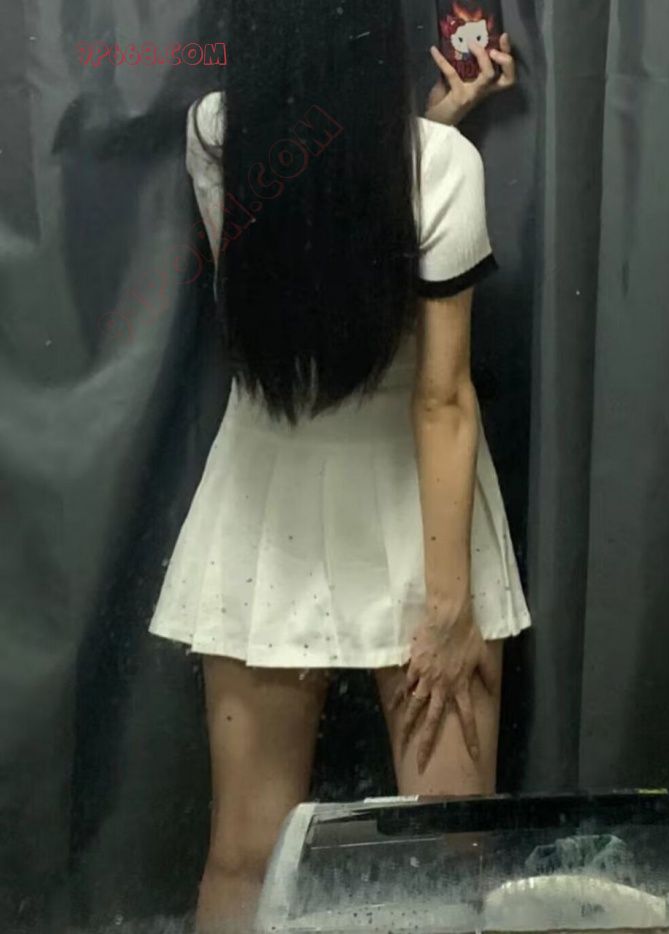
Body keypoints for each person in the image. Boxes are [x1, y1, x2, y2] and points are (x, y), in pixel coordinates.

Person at [148, 3, 529, 930]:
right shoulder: (442, 169)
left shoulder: (212, 134)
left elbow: (311, 231)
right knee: (449, 855)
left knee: (245, 855)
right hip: (422, 509)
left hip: (265, 497)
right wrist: (448, 610)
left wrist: (428, 137)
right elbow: (439, 400)